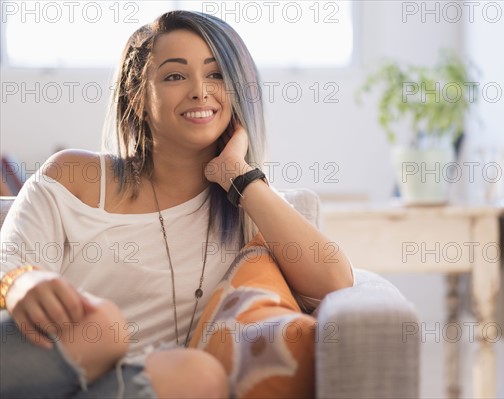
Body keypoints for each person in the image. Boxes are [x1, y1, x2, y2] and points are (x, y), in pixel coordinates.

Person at [0, 10, 354, 398]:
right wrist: (21, 282)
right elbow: (10, 257)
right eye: (174, 75)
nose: (200, 91)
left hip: (144, 386)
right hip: (39, 356)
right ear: (137, 99)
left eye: (216, 74)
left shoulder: (255, 210)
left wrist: (239, 174)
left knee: (197, 375)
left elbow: (333, 286)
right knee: (99, 327)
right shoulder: (75, 176)